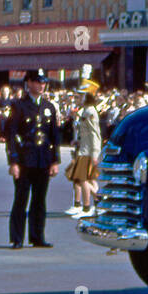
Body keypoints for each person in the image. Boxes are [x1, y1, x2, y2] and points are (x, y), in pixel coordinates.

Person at [3, 69, 61, 249]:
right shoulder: (18, 106)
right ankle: (17, 238)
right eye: (37, 81)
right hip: (24, 160)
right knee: (21, 199)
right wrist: (13, 162)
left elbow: (54, 137)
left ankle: (37, 236)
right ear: (28, 83)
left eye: (43, 82)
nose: (42, 85)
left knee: (39, 200)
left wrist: (54, 161)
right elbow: (11, 135)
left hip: (42, 160)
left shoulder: (49, 107)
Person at [66, 85, 102, 217]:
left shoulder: (90, 112)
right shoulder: (86, 110)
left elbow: (94, 134)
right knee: (83, 179)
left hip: (87, 151)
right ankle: (95, 202)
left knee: (83, 179)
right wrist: (78, 141)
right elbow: (85, 133)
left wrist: (95, 153)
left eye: (82, 95)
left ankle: (87, 208)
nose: (79, 98)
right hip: (83, 148)